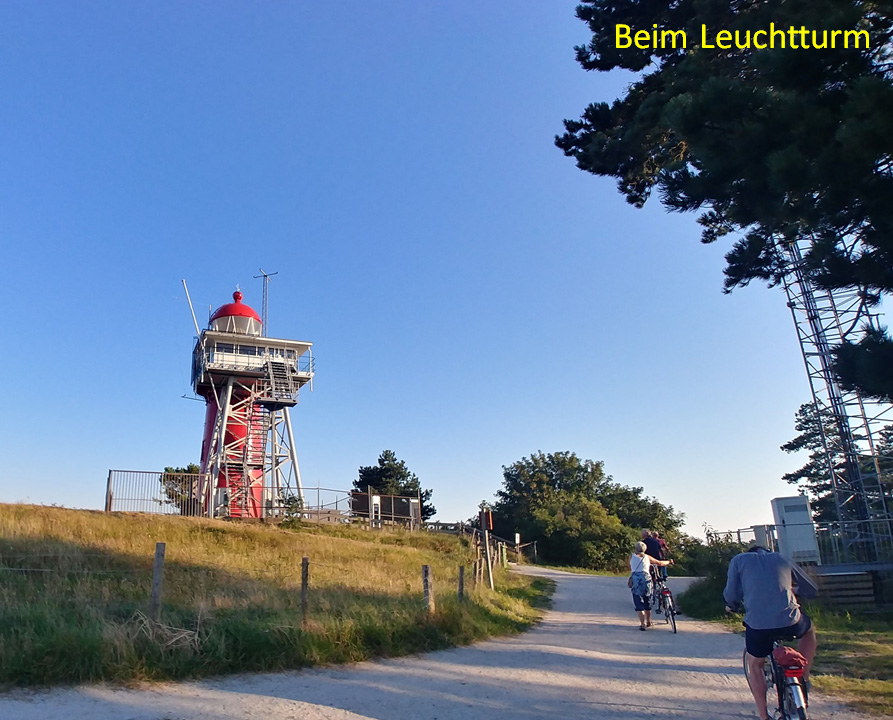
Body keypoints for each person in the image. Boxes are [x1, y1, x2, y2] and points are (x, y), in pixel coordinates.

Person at [723, 545, 819, 720]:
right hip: (791, 622)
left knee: (755, 665)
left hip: (758, 627)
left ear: (750, 551)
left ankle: (763, 715)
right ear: (767, 551)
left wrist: (732, 606)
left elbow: (731, 594)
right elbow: (810, 588)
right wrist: (794, 591)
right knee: (809, 631)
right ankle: (803, 678)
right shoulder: (782, 558)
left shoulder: (739, 560)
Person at [630, 540, 673, 630]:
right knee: (647, 601)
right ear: (645, 549)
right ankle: (649, 621)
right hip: (646, 579)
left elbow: (630, 566)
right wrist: (669, 561)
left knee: (638, 602)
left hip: (635, 580)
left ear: (635, 549)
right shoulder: (647, 557)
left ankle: (642, 624)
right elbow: (660, 563)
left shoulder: (631, 556)